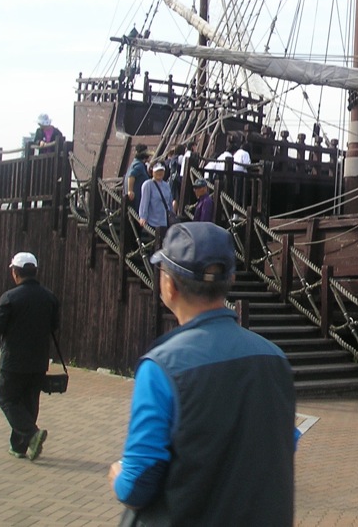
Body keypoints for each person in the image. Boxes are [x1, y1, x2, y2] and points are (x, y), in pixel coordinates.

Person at [108, 222, 296, 525]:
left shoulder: (161, 367)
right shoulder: (274, 358)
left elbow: (137, 484)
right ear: (230, 279)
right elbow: (287, 441)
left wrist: (118, 476)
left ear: (169, 286)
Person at [0, 251, 60, 461]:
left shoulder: (9, 298)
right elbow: (54, 326)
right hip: (39, 360)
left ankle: (32, 435)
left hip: (13, 361)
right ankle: (19, 447)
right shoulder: (49, 297)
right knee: (29, 403)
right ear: (35, 271)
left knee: (7, 400)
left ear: (15, 273)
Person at [139, 162, 173, 243]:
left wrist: (172, 215)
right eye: (157, 171)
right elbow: (144, 201)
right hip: (153, 221)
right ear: (152, 172)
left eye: (161, 171)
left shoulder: (166, 185)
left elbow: (169, 202)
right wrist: (143, 216)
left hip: (164, 221)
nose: (160, 173)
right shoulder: (148, 184)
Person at [126, 144, 152, 215]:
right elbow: (131, 175)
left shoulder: (135, 163)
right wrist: (130, 191)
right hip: (136, 201)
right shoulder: (139, 165)